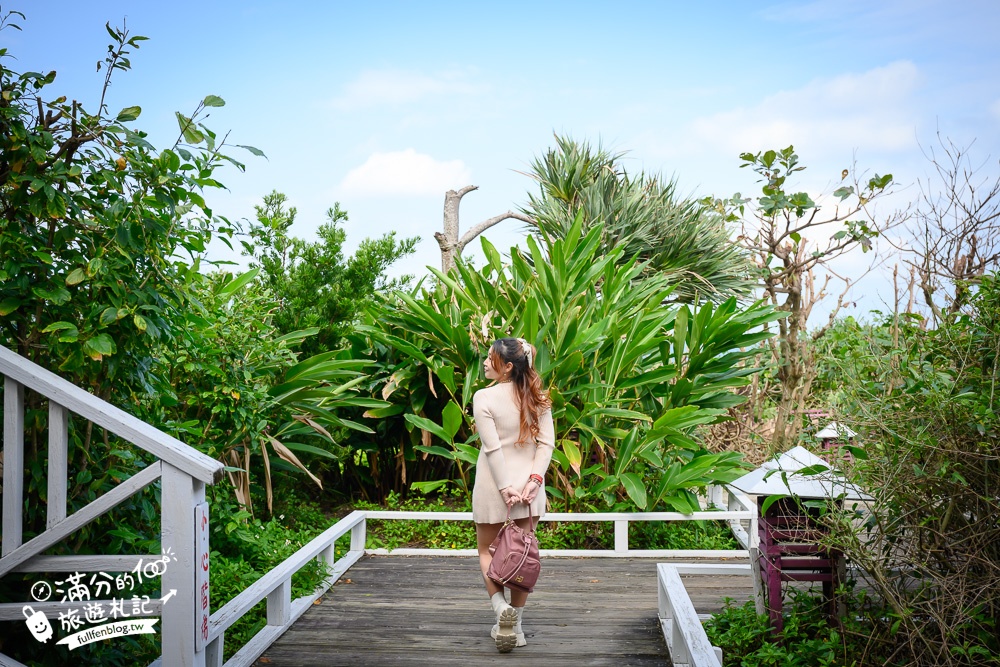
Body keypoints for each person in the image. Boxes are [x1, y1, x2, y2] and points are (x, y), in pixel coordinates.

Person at [472, 337, 555, 653]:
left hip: (496, 487)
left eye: (489, 357)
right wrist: (534, 481)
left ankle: (499, 609)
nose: (484, 361)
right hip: (529, 489)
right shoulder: (540, 398)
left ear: (507, 366)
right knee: (524, 554)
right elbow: (546, 444)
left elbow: (493, 449)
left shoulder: (484, 398)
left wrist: (505, 487)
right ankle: (516, 626)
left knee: (487, 552)